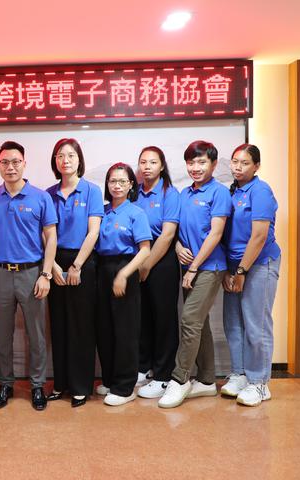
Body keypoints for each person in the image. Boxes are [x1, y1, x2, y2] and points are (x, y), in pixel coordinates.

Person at [0, 140, 57, 411]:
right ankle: (5, 384)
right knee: (2, 335)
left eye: (15, 162)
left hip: (32, 273)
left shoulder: (41, 197)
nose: (10, 167)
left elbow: (51, 237)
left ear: (24, 164)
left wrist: (46, 274)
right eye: (5, 162)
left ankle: (37, 386)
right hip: (1, 274)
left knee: (36, 335)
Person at [159, 140, 231, 409]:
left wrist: (192, 268)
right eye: (191, 162)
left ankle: (180, 379)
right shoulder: (184, 193)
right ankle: (207, 380)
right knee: (199, 322)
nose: (196, 167)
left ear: (213, 164)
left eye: (202, 162)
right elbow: (177, 230)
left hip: (210, 267)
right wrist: (178, 248)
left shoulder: (219, 192)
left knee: (189, 320)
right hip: (189, 266)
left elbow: (215, 234)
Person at [221, 144, 281, 406]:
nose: (238, 167)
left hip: (258, 265)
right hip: (234, 266)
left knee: (256, 325)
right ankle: (240, 374)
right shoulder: (231, 192)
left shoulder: (260, 191)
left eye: (245, 163)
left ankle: (259, 383)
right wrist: (229, 269)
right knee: (234, 323)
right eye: (235, 161)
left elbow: (258, 236)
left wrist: (242, 271)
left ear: (256, 166)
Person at [45, 139, 103, 407]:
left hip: (83, 262)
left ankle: (80, 386)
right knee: (59, 325)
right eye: (60, 155)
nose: (65, 160)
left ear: (79, 159)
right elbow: (44, 233)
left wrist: (77, 266)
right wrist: (53, 267)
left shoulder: (91, 191)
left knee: (81, 326)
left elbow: (94, 231)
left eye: (70, 155)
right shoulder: (48, 194)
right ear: (55, 161)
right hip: (55, 262)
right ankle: (61, 384)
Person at [95, 163, 151, 406]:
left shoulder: (136, 213)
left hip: (125, 269)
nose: (116, 185)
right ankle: (110, 380)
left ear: (130, 185)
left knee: (125, 331)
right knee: (105, 328)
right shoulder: (102, 212)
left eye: (122, 181)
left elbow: (145, 250)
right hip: (101, 269)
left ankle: (125, 387)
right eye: (112, 181)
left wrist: (124, 274)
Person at [133, 147, 182, 399]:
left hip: (161, 261)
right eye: (143, 162)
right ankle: (145, 367)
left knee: (164, 319)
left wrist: (147, 265)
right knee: (143, 317)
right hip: (139, 257)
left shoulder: (169, 193)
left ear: (162, 166)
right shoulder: (135, 193)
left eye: (153, 162)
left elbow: (167, 235)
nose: (147, 167)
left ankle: (163, 376)